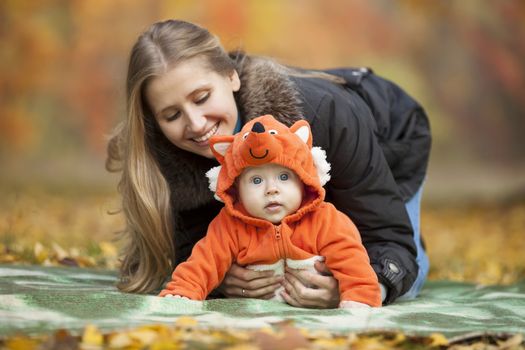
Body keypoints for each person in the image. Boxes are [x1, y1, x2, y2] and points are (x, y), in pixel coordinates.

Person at [106, 19, 431, 307]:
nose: (195, 124)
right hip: (315, 162)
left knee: (394, 269)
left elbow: (387, 236)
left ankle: (416, 239)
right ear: (155, 121)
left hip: (387, 137)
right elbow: (195, 243)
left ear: (231, 76)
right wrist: (221, 279)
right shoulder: (167, 152)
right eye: (172, 115)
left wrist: (355, 287)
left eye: (202, 97)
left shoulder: (327, 113)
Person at [159, 115, 382, 308]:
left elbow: (352, 261)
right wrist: (183, 292)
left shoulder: (326, 220)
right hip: (258, 318)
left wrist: (359, 298)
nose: (271, 189)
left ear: (303, 180)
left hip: (311, 313)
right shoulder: (229, 226)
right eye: (256, 180)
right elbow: (202, 263)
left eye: (284, 177)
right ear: (236, 189)